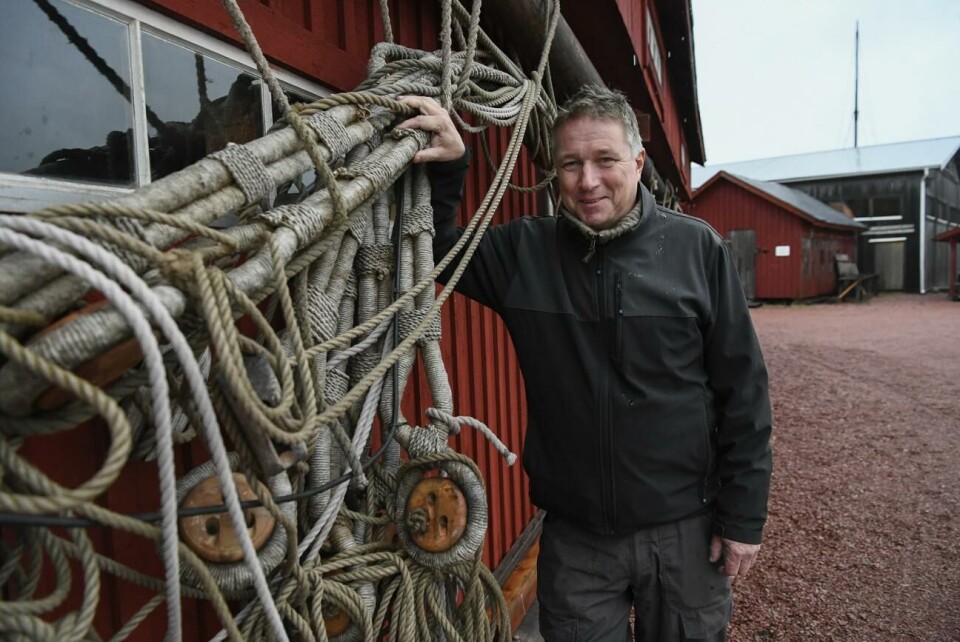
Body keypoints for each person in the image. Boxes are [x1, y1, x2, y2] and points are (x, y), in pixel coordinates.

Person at [397, 85, 772, 642]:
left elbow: (745, 393)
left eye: (605, 160)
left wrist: (743, 517)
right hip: (578, 542)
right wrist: (452, 164)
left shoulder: (697, 252)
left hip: (684, 532)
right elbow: (442, 251)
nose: (587, 180)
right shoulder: (524, 253)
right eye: (571, 164)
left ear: (637, 163)